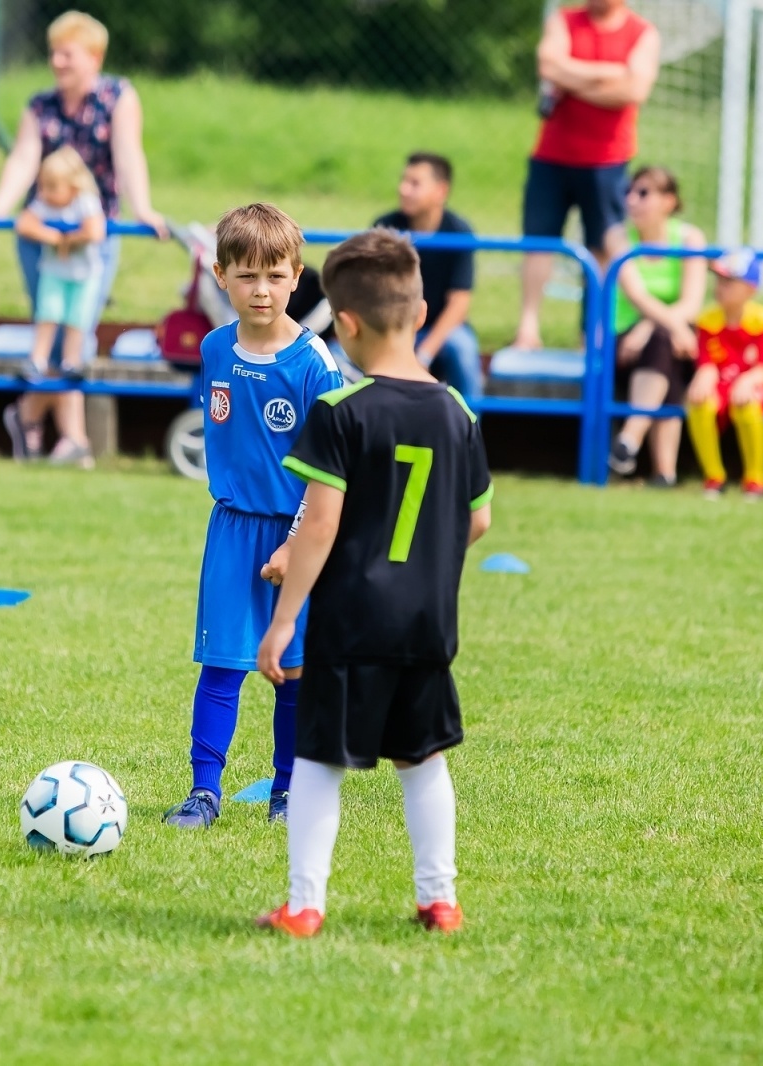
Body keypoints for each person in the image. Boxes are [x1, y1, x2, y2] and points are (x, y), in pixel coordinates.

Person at [255, 228, 493, 938]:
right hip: (426, 624)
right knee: (422, 762)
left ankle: (304, 904)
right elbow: (479, 523)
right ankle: (439, 899)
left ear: (346, 323)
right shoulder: (459, 411)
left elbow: (319, 526)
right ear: (421, 312)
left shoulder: (341, 413)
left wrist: (284, 618)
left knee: (320, 760)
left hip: (352, 622)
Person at [161, 203, 345, 831]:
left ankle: (288, 793)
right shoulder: (215, 349)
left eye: (274, 275)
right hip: (233, 530)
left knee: (291, 671)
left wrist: (297, 542)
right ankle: (204, 792)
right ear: (220, 276)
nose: (260, 290)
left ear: (297, 277)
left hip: (300, 529)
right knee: (222, 664)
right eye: (246, 276)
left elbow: (329, 471)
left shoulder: (314, 364)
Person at [0, 10, 164, 464]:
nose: (57, 62)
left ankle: (31, 416)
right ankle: (70, 438)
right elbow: (23, 160)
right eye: (54, 53)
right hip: (43, 234)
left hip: (94, 234)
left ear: (94, 57)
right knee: (53, 325)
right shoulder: (40, 106)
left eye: (67, 54)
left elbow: (128, 155)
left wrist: (143, 209)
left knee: (79, 326)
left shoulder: (118, 97)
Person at [515, 0, 660, 352]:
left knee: (602, 249)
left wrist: (573, 81)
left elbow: (634, 90)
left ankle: (591, 334)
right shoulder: (564, 21)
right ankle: (528, 328)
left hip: (607, 160)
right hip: (553, 154)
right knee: (539, 242)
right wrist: (610, 73)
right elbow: (549, 66)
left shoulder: (642, 33)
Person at [604, 166, 706, 487]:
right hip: (625, 341)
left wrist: (650, 326)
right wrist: (656, 325)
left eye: (644, 193)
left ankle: (629, 441)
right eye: (629, 193)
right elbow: (636, 295)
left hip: (670, 338)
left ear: (669, 201)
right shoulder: (618, 237)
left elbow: (693, 301)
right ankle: (664, 472)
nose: (633, 200)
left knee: (663, 343)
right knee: (666, 346)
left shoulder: (690, 238)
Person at [13, 146, 105, 468]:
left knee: (76, 322)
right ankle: (36, 360)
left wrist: (72, 238)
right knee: (48, 316)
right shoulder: (44, 202)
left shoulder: (85, 202)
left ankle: (70, 361)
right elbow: (24, 223)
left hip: (83, 278)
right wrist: (52, 236)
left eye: (53, 188)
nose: (46, 194)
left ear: (74, 186)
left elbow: (95, 230)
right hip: (54, 273)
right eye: (44, 187)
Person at [372, 152, 481, 402]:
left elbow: (459, 304)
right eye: (403, 181)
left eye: (415, 183)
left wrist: (424, 354)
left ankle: (470, 433)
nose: (403, 189)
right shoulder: (386, 228)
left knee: (463, 348)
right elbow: (375, 293)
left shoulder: (459, 233)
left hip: (442, 329)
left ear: (441, 190)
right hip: (397, 325)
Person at [684, 248, 763, 499]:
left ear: (750, 289)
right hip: (723, 382)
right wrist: (703, 374)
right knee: (700, 404)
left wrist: (748, 380)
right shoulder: (707, 319)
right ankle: (713, 477)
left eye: (729, 282)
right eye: (719, 280)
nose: (720, 287)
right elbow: (706, 362)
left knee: (748, 407)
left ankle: (755, 479)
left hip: (752, 384)